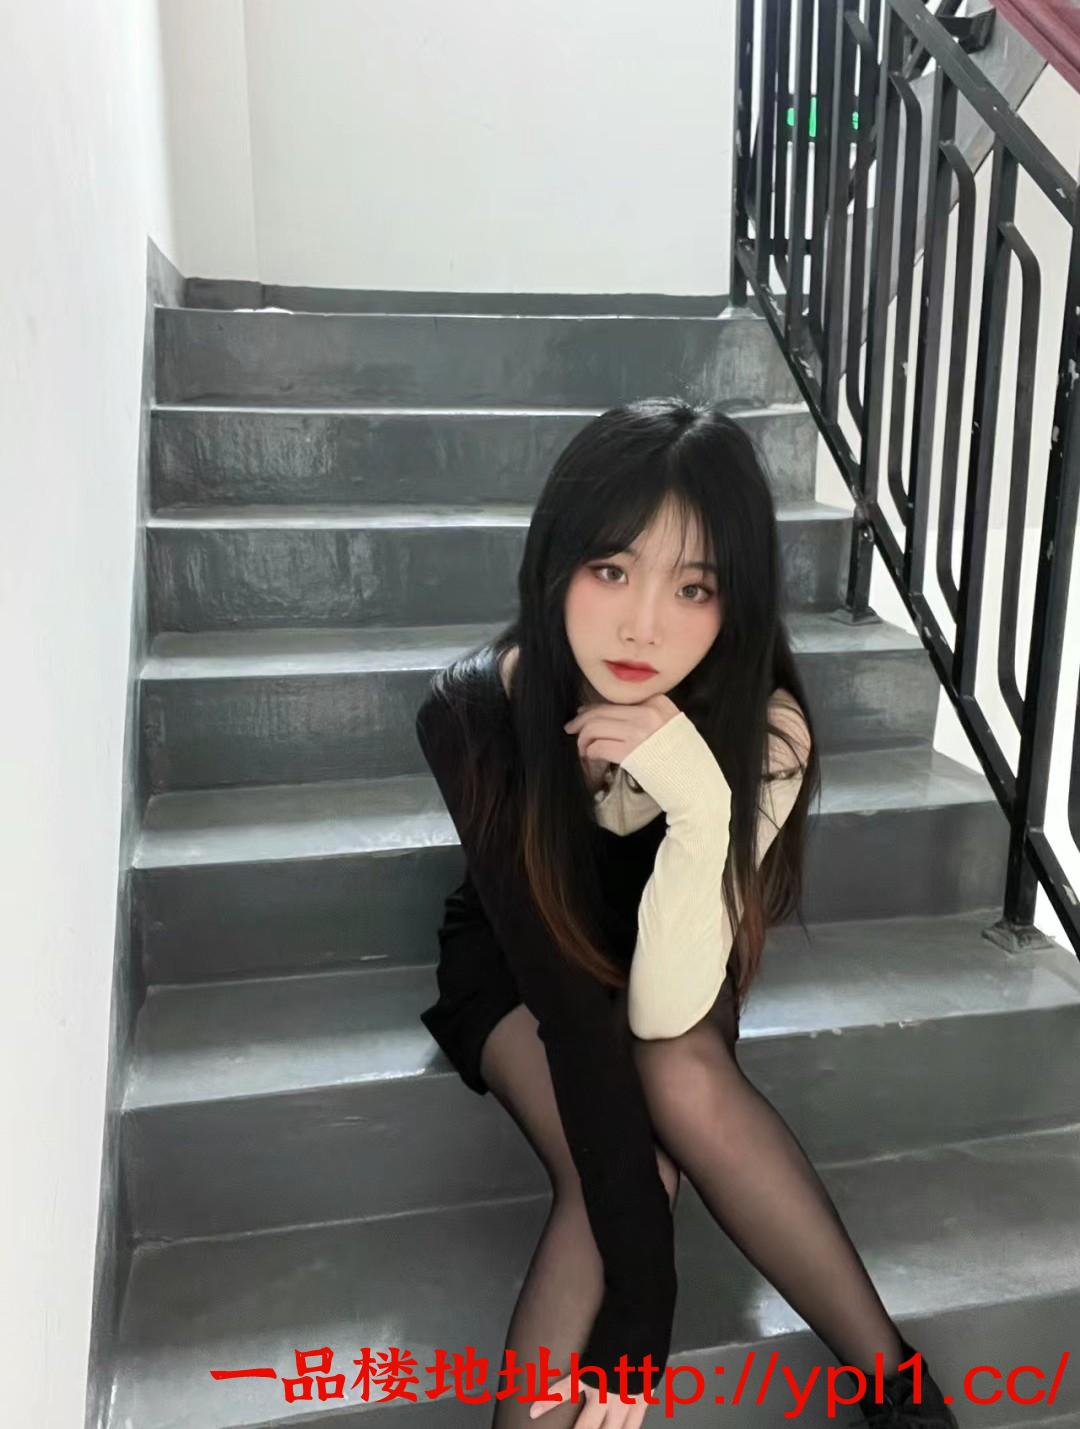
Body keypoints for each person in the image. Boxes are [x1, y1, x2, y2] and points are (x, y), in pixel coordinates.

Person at [414, 398, 959, 1429]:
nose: (643, 626)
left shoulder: (765, 729)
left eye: (693, 587)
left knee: (680, 1071)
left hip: (672, 951)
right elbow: (577, 1020)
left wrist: (702, 801)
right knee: (621, 1167)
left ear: (733, 602)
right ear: (555, 564)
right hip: (524, 960)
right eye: (611, 569)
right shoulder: (475, 710)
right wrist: (641, 1306)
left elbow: (664, 1012)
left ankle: (899, 1394)